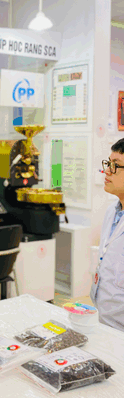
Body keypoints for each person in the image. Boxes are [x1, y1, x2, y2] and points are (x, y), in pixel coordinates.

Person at [90, 139, 124, 331]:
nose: (107, 171)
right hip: (104, 320)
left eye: (115, 166)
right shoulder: (112, 211)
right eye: (108, 164)